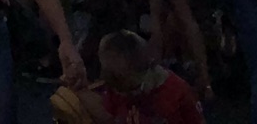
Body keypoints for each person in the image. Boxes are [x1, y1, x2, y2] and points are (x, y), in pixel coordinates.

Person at [53, 28, 206, 124]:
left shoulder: (177, 92)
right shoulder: (119, 86)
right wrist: (80, 90)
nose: (119, 90)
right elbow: (109, 115)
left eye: (123, 84)